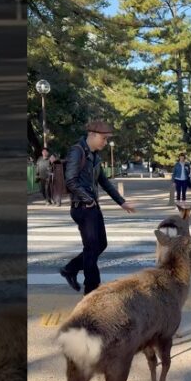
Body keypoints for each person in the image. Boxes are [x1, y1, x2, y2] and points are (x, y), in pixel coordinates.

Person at [60, 120, 137, 294]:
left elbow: (104, 182)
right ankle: (91, 288)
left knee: (101, 244)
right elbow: (70, 181)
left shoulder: (94, 156)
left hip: (91, 206)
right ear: (92, 135)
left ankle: (70, 269)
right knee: (91, 248)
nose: (105, 141)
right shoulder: (77, 152)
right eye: (103, 138)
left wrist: (122, 202)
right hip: (82, 207)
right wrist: (88, 200)